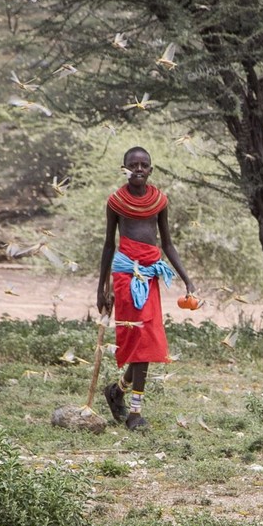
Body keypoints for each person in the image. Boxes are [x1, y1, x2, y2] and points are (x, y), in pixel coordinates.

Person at [96, 146, 195, 430]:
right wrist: (102, 287)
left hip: (151, 275)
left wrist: (187, 279)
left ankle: (118, 392)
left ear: (151, 170)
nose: (138, 169)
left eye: (143, 165)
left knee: (149, 342)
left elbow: (168, 244)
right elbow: (108, 245)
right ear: (124, 169)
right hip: (126, 275)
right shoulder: (116, 202)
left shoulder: (159, 201)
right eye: (133, 165)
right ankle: (135, 414)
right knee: (138, 343)